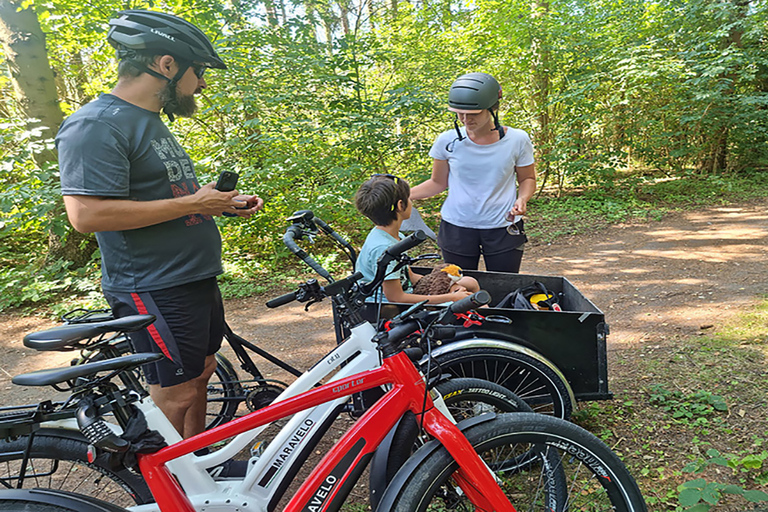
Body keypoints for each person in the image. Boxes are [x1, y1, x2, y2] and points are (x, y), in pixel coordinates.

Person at [56, 10, 263, 440]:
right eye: (198, 71)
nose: (202, 83)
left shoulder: (148, 122)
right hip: (155, 283)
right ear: (166, 64)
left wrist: (216, 204)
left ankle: (193, 470)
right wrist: (193, 201)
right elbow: (86, 215)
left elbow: (163, 201)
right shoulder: (96, 124)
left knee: (201, 373)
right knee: (174, 392)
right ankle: (160, 494)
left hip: (191, 277)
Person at [410, 72, 537, 273]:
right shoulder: (447, 141)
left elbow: (528, 178)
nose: (465, 119)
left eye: (473, 114)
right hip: (456, 227)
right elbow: (437, 183)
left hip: (503, 226)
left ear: (492, 108)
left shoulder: (517, 139)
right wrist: (401, 195)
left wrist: (523, 199)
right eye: (460, 113)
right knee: (457, 289)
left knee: (504, 286)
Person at [354, 174, 478, 304]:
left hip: (406, 293)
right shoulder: (384, 248)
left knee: (469, 283)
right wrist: (451, 297)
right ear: (400, 205)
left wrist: (445, 286)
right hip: (388, 307)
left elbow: (409, 276)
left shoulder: (393, 236)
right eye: (409, 198)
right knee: (467, 301)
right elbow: (396, 298)